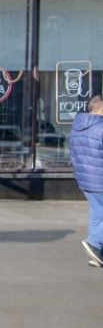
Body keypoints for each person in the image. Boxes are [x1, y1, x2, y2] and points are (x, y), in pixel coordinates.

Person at [69, 95, 103, 266]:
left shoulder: (77, 127)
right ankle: (94, 243)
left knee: (98, 213)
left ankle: (97, 254)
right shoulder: (101, 128)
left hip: (85, 179)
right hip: (100, 178)